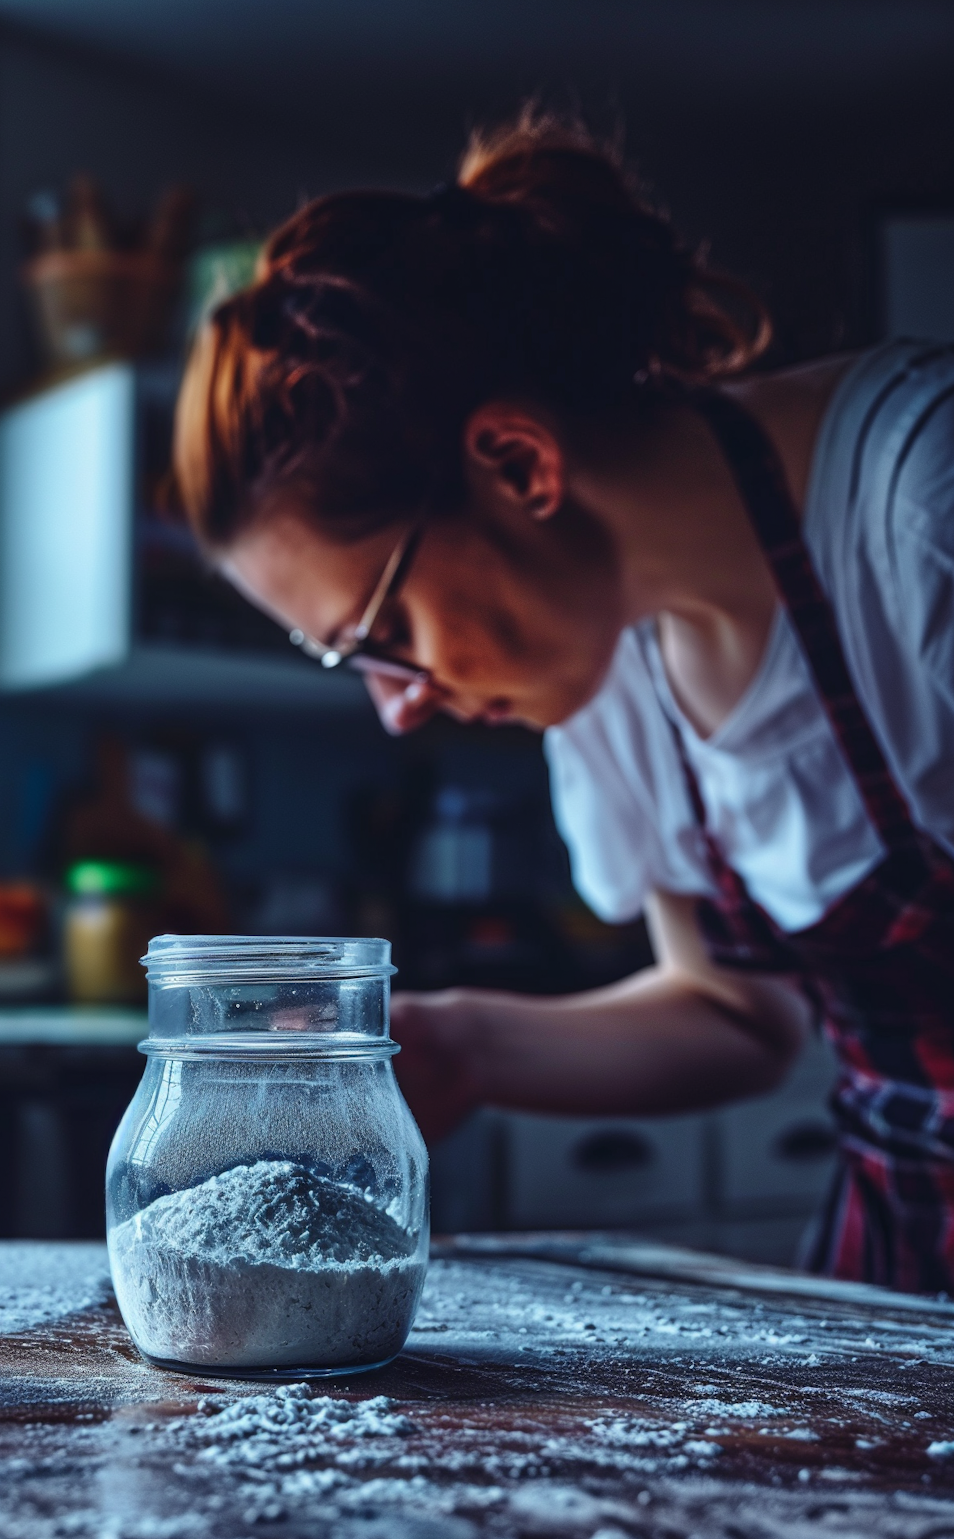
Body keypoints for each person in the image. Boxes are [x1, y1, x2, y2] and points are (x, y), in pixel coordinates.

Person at [171, 111, 954, 1297]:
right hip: (900, 1252)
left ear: (520, 464)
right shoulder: (606, 660)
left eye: (388, 632)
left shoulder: (919, 509)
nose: (399, 710)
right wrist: (457, 1042)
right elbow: (737, 1013)